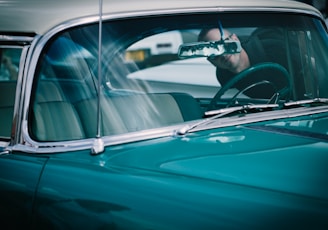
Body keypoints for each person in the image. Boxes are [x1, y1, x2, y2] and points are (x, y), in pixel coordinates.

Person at [198, 27, 290, 99]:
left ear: (235, 38)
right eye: (214, 53)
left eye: (224, 44)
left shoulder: (279, 50)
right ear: (211, 61)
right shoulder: (226, 78)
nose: (223, 54)